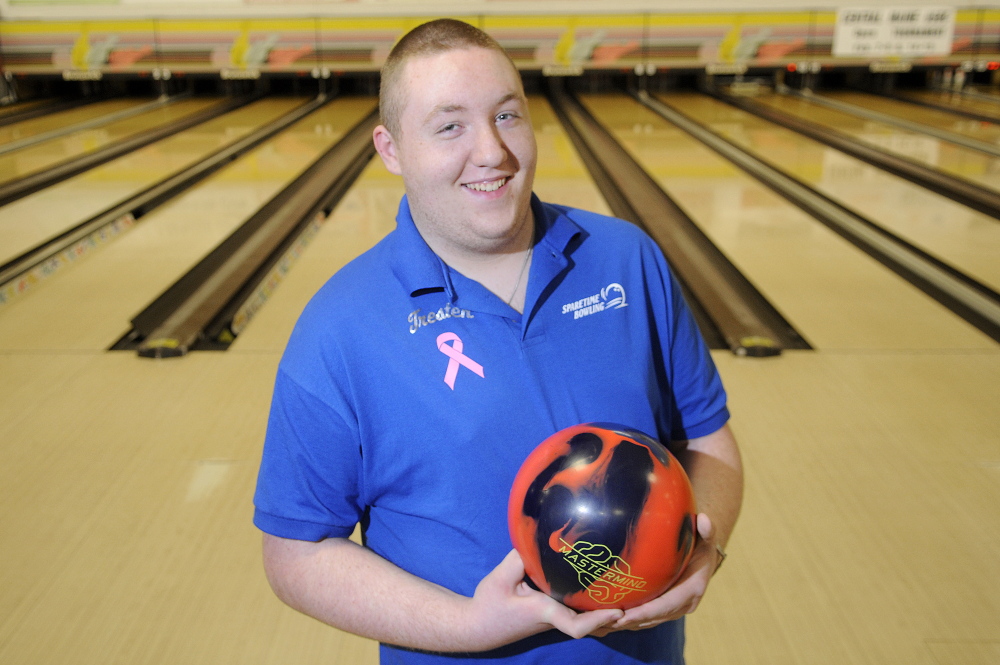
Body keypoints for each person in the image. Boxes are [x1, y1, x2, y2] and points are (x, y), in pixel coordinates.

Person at [253, 18, 743, 665]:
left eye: (507, 115)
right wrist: (467, 624)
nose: (492, 151)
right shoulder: (338, 330)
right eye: (449, 125)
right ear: (391, 147)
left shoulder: (628, 261)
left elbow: (708, 443)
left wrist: (703, 545)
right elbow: (295, 551)